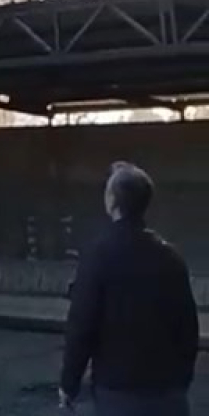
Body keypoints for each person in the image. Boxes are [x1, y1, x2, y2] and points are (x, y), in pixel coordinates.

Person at [59, 162, 199, 416]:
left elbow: (82, 325)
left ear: (112, 201)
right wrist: (181, 380)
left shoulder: (99, 255)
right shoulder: (171, 258)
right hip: (168, 393)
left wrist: (69, 384)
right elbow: (188, 327)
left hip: (118, 391)